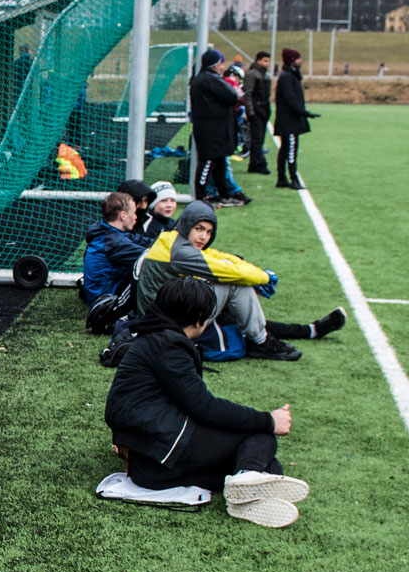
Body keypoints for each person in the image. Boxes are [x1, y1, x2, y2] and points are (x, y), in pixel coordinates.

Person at [105, 276, 312, 527]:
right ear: (201, 318)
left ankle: (247, 486)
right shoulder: (168, 344)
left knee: (267, 464)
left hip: (152, 466)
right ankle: (247, 477)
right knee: (260, 436)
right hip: (162, 453)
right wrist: (269, 420)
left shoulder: (154, 338)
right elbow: (204, 407)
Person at [133, 199, 346, 362]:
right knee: (234, 283)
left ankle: (308, 330)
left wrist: (254, 273)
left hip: (169, 314)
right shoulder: (181, 252)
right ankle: (263, 342)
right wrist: (264, 277)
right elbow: (228, 270)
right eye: (199, 229)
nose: (204, 237)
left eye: (208, 232)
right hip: (169, 326)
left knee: (242, 310)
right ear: (187, 225)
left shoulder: (172, 239)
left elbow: (219, 257)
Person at [81, 192, 150, 333]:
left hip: (105, 296)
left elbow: (140, 240)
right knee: (150, 266)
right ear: (123, 215)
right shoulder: (113, 242)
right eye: (134, 212)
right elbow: (150, 256)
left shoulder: (106, 231)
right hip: (107, 306)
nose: (136, 217)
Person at [190, 48, 248, 206]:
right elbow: (231, 96)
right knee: (208, 163)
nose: (223, 67)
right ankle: (201, 197)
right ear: (215, 64)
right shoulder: (209, 79)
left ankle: (224, 194)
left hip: (215, 129)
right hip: (211, 130)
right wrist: (236, 92)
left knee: (220, 164)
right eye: (221, 63)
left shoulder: (205, 79)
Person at [273, 48, 314, 189]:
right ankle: (292, 178)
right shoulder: (287, 77)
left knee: (286, 149)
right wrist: (304, 112)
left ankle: (282, 178)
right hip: (289, 121)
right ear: (292, 60)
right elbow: (291, 99)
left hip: (290, 120)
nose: (301, 61)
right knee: (290, 149)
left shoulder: (291, 75)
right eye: (298, 58)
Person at [243, 51, 273, 174]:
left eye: (268, 61)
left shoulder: (266, 76)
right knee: (256, 138)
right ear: (258, 61)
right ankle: (259, 163)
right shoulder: (252, 74)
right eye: (265, 60)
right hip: (256, 110)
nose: (267, 63)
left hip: (264, 109)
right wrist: (250, 111)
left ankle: (254, 163)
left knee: (260, 139)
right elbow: (248, 93)